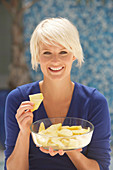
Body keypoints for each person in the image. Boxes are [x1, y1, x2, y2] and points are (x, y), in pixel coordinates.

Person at [4, 17, 111, 170]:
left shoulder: (95, 102)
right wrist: (24, 132)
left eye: (63, 52)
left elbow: (101, 167)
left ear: (74, 55)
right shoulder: (18, 99)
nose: (55, 61)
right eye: (47, 52)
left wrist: (68, 146)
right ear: (36, 56)